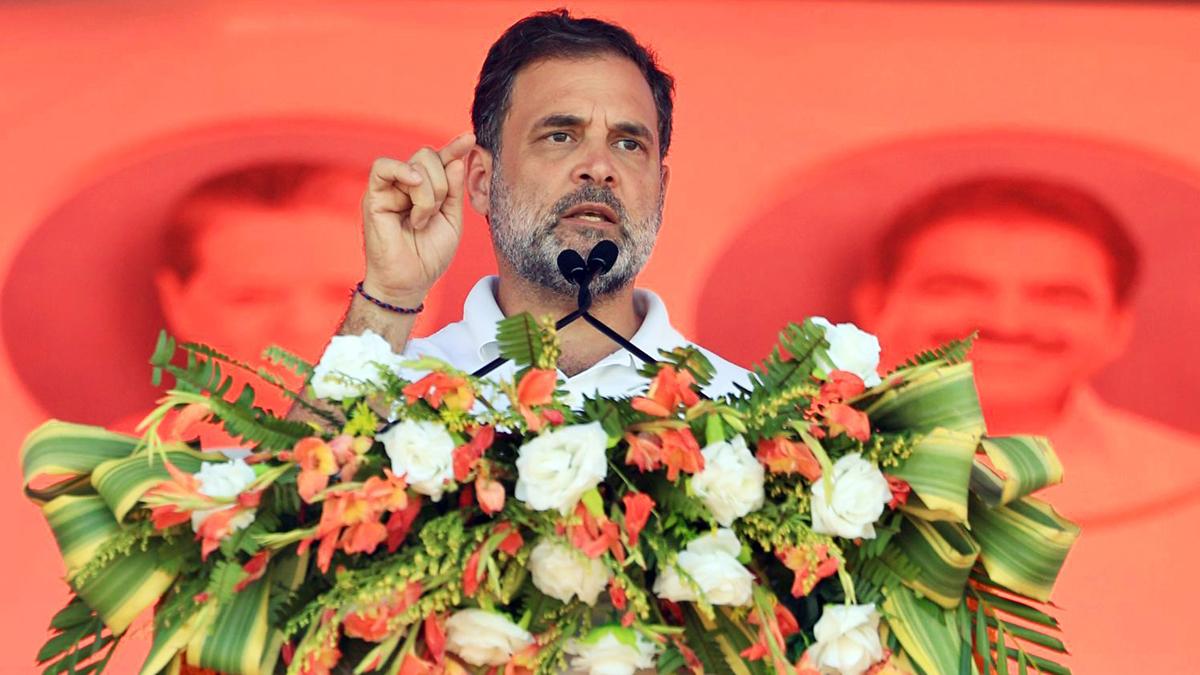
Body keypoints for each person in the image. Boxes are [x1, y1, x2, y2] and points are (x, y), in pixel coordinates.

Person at [850, 174, 1200, 672]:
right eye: (956, 288)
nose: (1007, 323)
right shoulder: (767, 461)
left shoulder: (1182, 481)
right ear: (875, 305)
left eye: (1058, 296)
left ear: (1118, 327)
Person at [319, 9, 746, 403]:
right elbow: (308, 462)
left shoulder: (747, 414)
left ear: (661, 192)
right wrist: (390, 295)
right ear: (481, 181)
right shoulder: (388, 390)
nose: (599, 168)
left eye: (628, 144)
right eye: (560, 136)